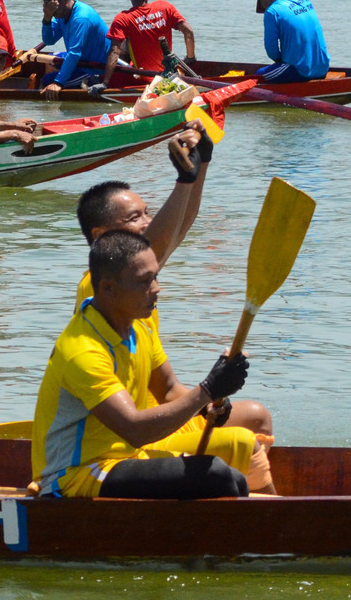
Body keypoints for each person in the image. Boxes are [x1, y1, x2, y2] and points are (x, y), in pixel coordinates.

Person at [73, 128, 277, 493]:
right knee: (243, 444)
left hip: (154, 419)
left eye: (148, 213)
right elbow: (162, 245)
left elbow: (176, 231)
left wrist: (200, 169)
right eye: (135, 218)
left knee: (254, 417)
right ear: (102, 235)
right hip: (124, 438)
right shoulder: (98, 287)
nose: (148, 222)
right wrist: (184, 180)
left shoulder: (138, 294)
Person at [32, 231, 252, 499]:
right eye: (143, 281)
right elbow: (135, 429)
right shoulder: (82, 351)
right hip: (74, 476)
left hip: (126, 459)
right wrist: (207, 388)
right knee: (214, 475)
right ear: (108, 288)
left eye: (156, 276)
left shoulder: (141, 326)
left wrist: (209, 406)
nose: (156, 288)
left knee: (236, 480)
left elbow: (169, 389)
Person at [100, 0, 195, 88]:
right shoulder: (165, 7)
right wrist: (190, 58)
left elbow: (114, 52)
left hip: (144, 80)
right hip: (169, 75)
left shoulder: (122, 19)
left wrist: (105, 83)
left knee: (116, 50)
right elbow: (188, 32)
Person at [22, 0, 111, 98]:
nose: (51, 11)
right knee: (49, 59)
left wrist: (58, 83)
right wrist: (47, 19)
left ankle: (53, 90)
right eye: (47, 6)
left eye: (53, 7)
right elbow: (49, 40)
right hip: (81, 59)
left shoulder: (80, 18)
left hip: (95, 68)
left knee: (48, 80)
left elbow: (74, 54)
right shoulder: (61, 13)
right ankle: (55, 88)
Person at [255, 0, 329, 82]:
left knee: (258, 76)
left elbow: (271, 50)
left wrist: (280, 61)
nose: (265, 8)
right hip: (323, 68)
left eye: (262, 4)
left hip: (300, 71)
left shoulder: (272, 12)